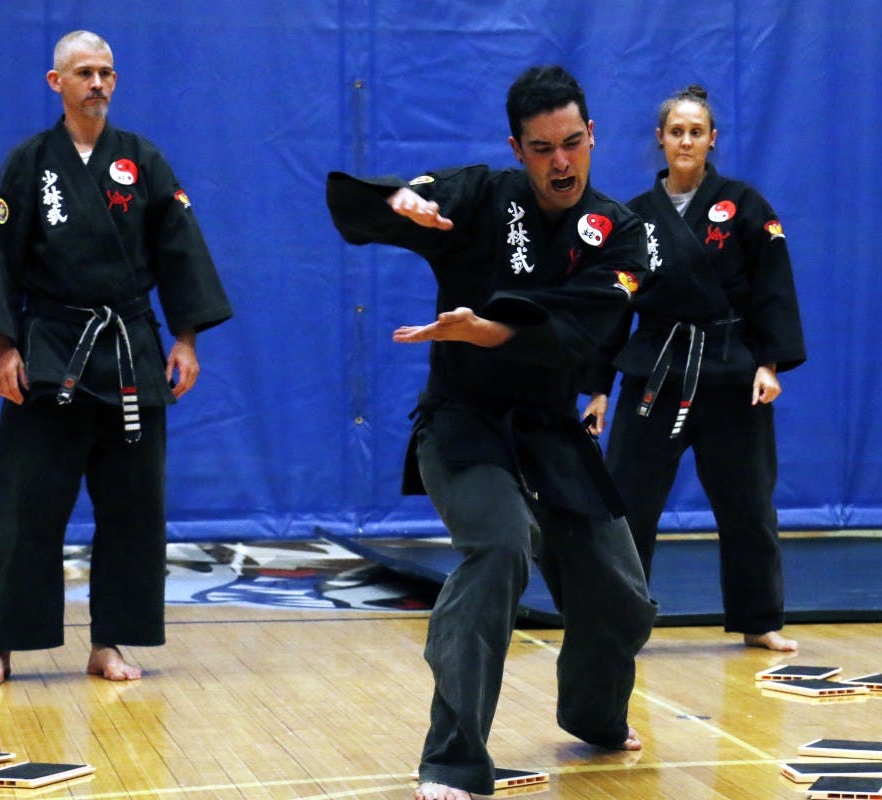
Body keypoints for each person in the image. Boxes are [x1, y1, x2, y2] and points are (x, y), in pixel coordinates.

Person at [326, 65, 657, 800]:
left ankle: (596, 715)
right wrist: (399, 206)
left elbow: (589, 322)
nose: (560, 162)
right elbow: (399, 203)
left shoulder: (620, 231)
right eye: (542, 149)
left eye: (572, 143)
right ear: (518, 148)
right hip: (462, 424)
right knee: (499, 550)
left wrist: (496, 330)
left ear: (592, 135)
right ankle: (451, 759)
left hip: (550, 430)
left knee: (623, 595)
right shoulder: (481, 195)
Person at [0, 30, 232, 686]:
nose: (98, 83)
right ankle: (0, 643)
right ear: (56, 83)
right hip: (50, 349)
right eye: (84, 72)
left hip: (132, 352)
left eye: (107, 72)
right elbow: (1, 256)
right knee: (28, 502)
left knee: (133, 506)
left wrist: (187, 338)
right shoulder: (28, 162)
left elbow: (180, 248)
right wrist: (3, 345)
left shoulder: (142, 160)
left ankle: (110, 641)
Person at [583, 85, 805, 652]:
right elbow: (613, 305)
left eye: (696, 131)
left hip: (733, 369)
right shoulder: (631, 216)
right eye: (676, 131)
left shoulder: (746, 206)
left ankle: (759, 619)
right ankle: (621, 619)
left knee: (748, 501)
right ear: (660, 140)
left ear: (712, 140)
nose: (686, 140)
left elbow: (772, 290)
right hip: (655, 368)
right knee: (628, 501)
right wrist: (598, 389)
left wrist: (770, 364)